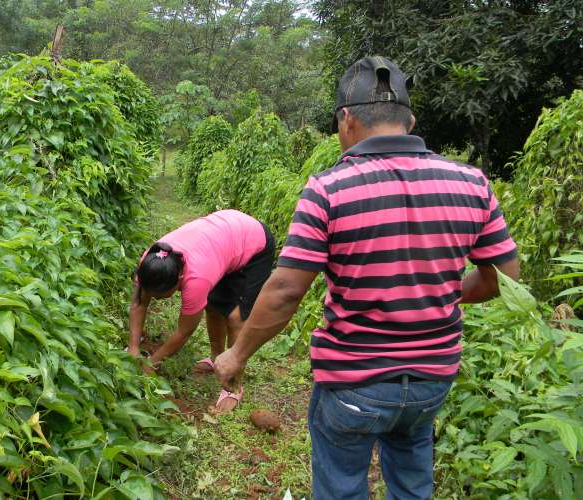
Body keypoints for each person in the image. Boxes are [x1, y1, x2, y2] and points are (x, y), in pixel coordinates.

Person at [214, 56, 520, 499]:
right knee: (413, 481)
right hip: (432, 379)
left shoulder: (329, 189)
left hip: (354, 380)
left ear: (346, 119)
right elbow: (504, 280)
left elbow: (284, 291)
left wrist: (236, 355)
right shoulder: (472, 183)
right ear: (410, 119)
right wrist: (434, 292)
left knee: (341, 487)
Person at [128, 209, 275, 412]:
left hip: (253, 243)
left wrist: (151, 362)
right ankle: (216, 359)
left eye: (162, 295)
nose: (156, 298)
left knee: (235, 318)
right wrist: (133, 349)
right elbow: (139, 303)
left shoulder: (196, 279)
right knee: (213, 306)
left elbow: (184, 331)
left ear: (179, 280)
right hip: (222, 239)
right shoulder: (151, 261)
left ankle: (233, 386)